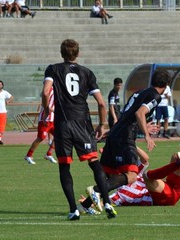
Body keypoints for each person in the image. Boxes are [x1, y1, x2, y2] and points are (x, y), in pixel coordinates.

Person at [41, 39, 116, 220]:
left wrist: (47, 108)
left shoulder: (53, 69)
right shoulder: (87, 73)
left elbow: (45, 92)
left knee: (64, 166)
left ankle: (73, 209)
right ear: (78, 53)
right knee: (94, 162)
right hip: (83, 122)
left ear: (61, 53)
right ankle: (107, 202)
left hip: (63, 123)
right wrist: (102, 124)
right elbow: (101, 103)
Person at [81, 70, 170, 212]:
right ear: (166, 85)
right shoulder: (156, 96)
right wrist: (147, 135)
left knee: (111, 174)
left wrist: (142, 126)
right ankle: (96, 190)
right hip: (124, 137)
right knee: (132, 175)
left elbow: (128, 115)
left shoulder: (140, 92)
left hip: (115, 133)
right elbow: (139, 113)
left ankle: (84, 206)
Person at [79, 150, 180, 210]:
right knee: (147, 176)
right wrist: (88, 203)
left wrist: (130, 143)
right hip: (163, 198)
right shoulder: (117, 194)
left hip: (171, 187)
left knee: (176, 155)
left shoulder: (131, 175)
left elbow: (145, 159)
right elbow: (103, 203)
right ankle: (177, 165)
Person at [24, 87, 56, 165]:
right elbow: (44, 102)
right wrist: (51, 110)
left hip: (53, 119)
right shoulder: (49, 89)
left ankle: (49, 154)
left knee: (59, 136)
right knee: (41, 137)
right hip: (45, 119)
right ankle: (28, 155)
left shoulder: (58, 89)